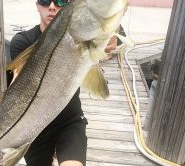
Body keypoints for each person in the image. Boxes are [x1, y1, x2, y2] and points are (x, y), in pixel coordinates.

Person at [9, 0, 125, 166]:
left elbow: (118, 34)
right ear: (36, 5)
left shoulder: (86, 35)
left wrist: (114, 34)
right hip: (35, 128)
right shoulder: (23, 41)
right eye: (44, 0)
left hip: (69, 121)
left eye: (60, 0)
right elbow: (18, 83)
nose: (51, 6)